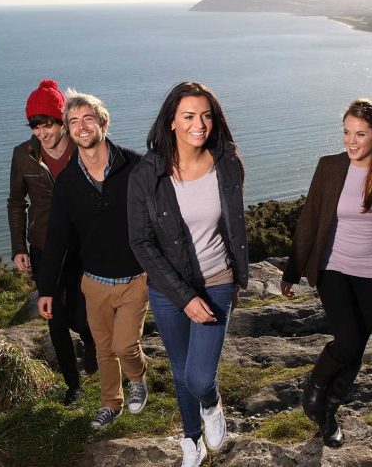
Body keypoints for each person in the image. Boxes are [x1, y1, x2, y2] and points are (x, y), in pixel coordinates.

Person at [280, 98, 372, 448]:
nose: (351, 141)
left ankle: (329, 416)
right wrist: (291, 272)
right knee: (347, 339)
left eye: (360, 134)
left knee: (356, 351)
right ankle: (315, 388)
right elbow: (309, 222)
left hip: (371, 275)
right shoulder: (329, 167)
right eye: (346, 132)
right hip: (332, 266)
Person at [128, 81, 248, 467]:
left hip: (216, 280)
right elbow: (141, 242)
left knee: (198, 378)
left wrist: (230, 284)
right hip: (167, 288)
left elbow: (233, 227)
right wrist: (183, 296)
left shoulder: (227, 161)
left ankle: (211, 406)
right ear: (171, 123)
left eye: (206, 115)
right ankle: (190, 440)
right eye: (189, 116)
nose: (200, 124)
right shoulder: (148, 173)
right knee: (180, 372)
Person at [37, 89, 149, 429]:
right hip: (94, 282)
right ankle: (110, 404)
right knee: (103, 349)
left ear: (103, 122)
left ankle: (138, 380)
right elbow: (56, 238)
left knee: (126, 344)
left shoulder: (134, 165)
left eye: (88, 118)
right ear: (68, 130)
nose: (81, 127)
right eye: (73, 121)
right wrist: (46, 289)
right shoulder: (68, 182)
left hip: (135, 278)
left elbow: (160, 216)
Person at [7, 79, 97, 406]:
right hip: (44, 247)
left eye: (48, 124)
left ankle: (91, 348)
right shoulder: (22, 156)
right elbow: (17, 202)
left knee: (79, 315)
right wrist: (19, 247)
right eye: (35, 126)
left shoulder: (85, 148)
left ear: (62, 121)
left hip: (81, 248)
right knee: (54, 317)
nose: (42, 132)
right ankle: (73, 387)